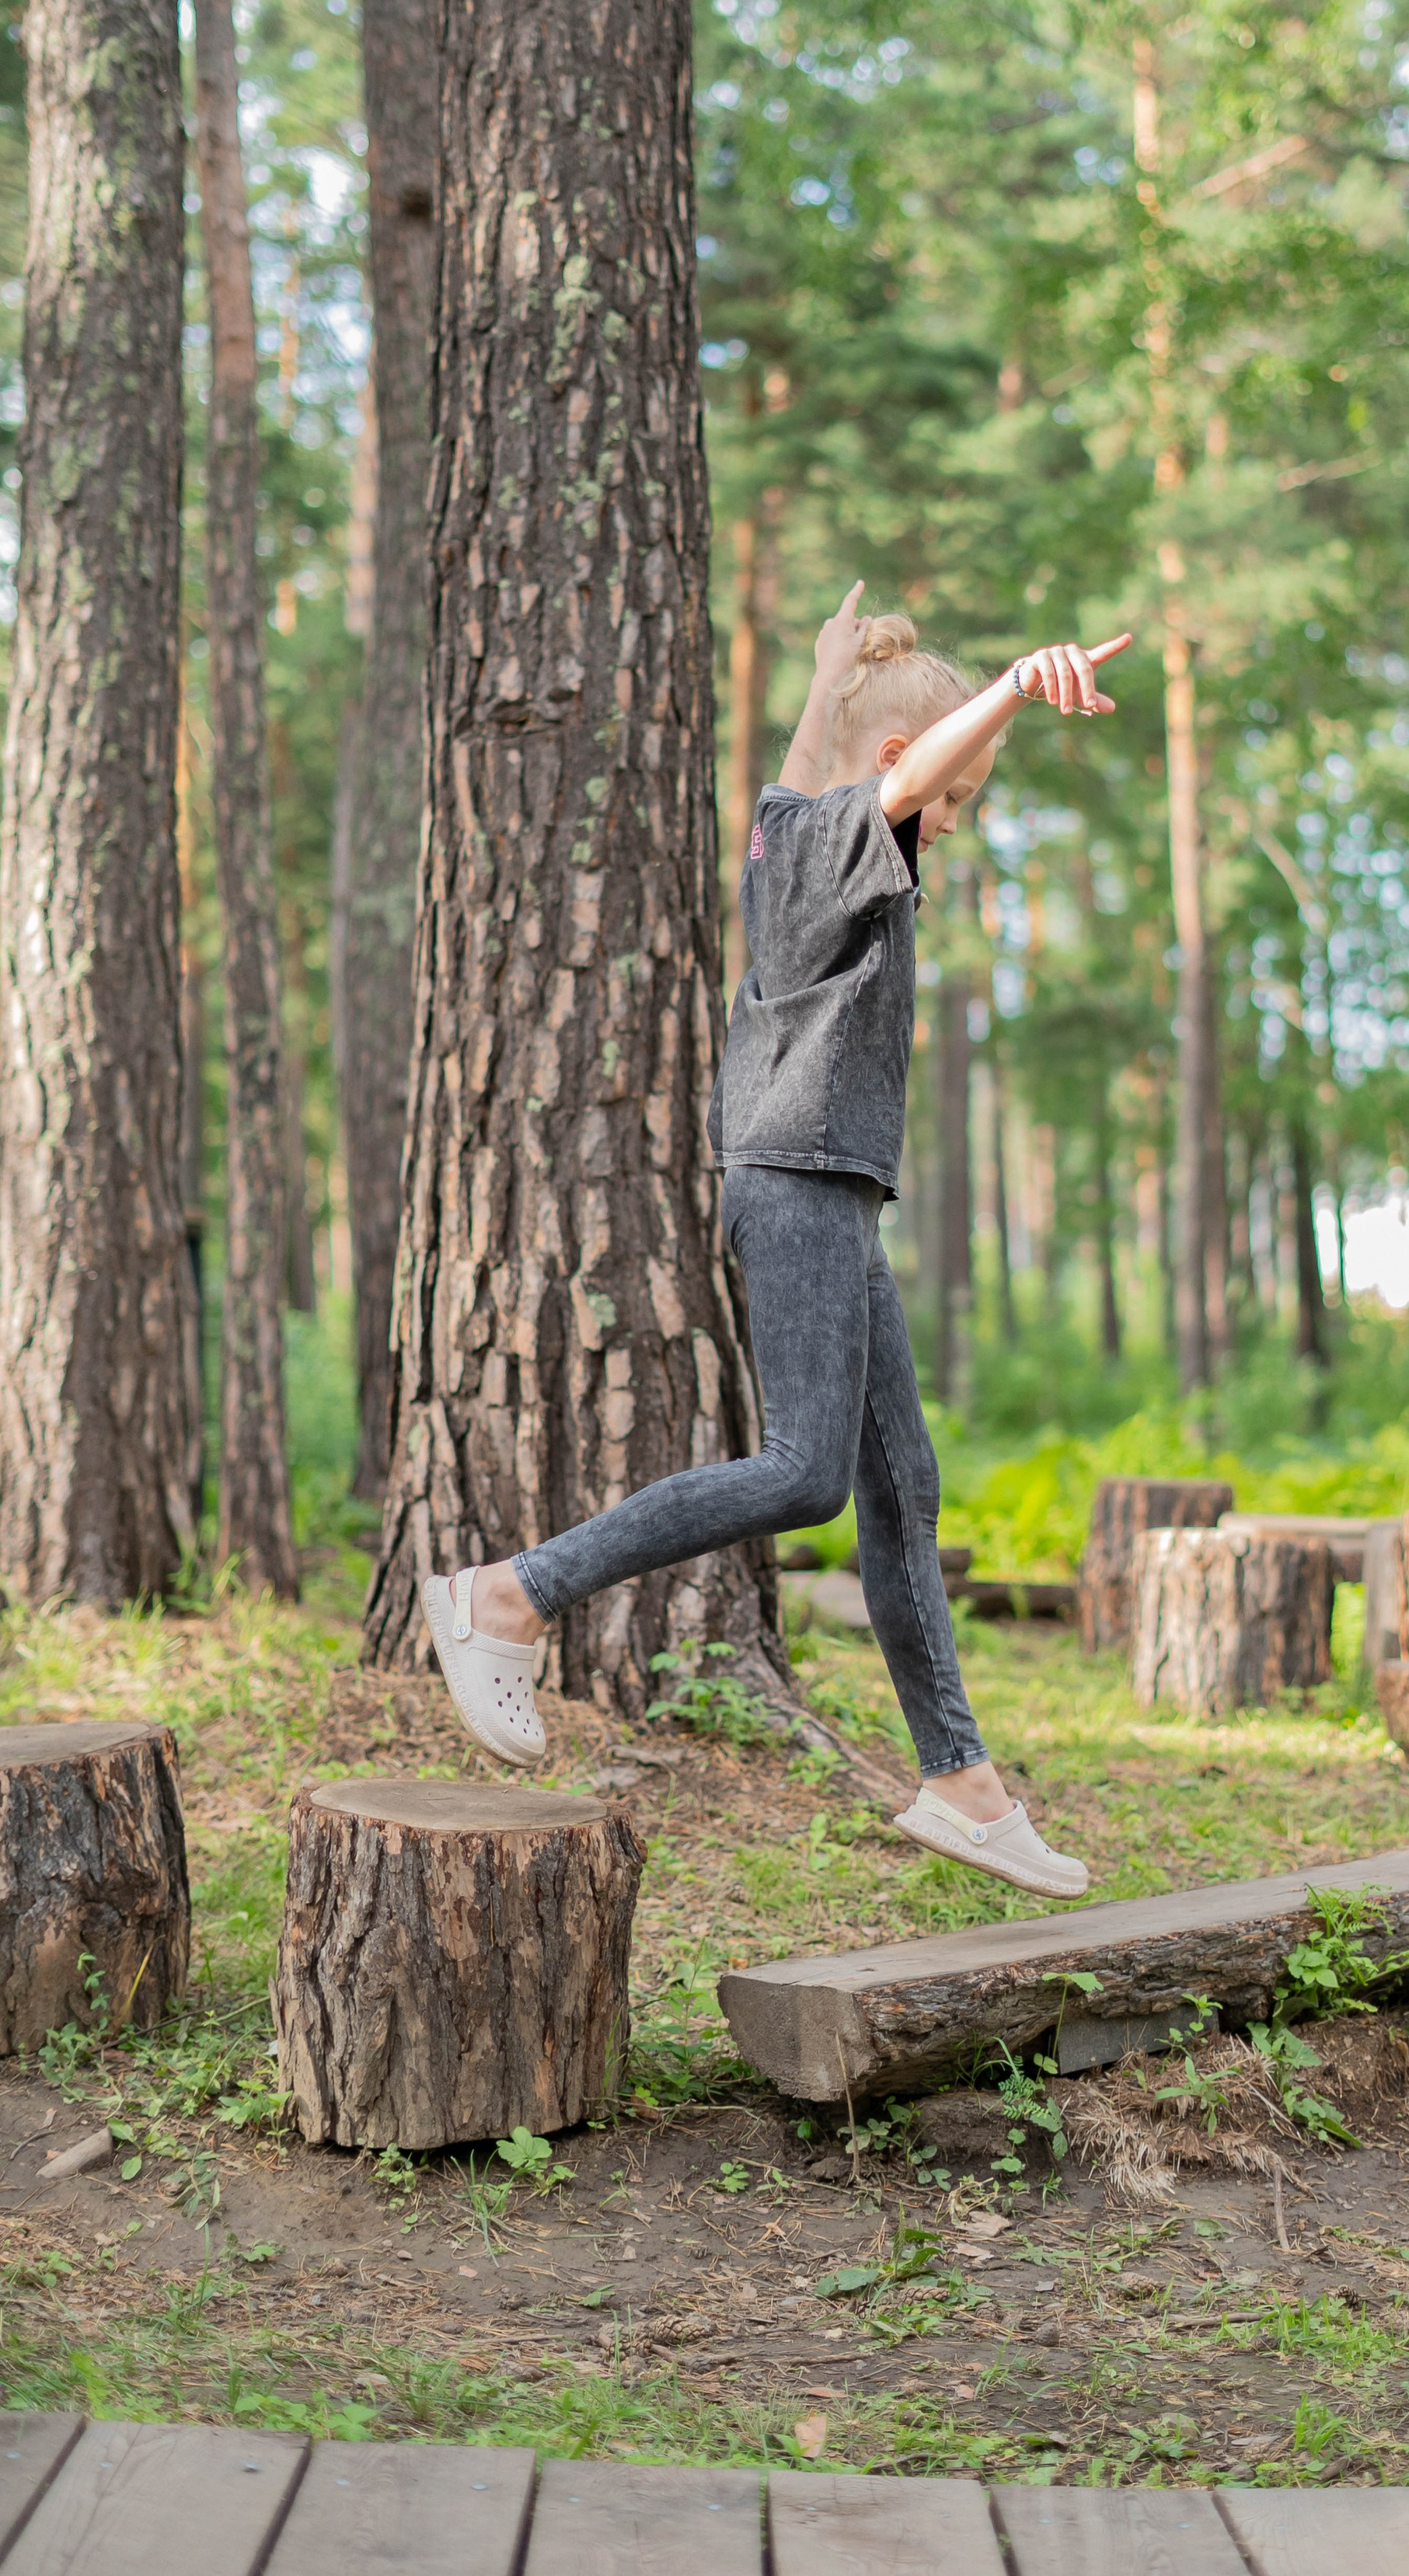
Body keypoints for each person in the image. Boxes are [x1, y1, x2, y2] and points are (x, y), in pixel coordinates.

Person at [420, 584, 1132, 1901]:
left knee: (899, 1488)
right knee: (809, 1473)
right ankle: (509, 1596)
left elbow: (830, 760)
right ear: (897, 775)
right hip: (801, 1177)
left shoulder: (792, 826)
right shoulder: (847, 841)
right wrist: (1018, 690)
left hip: (830, 1184)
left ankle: (963, 1787)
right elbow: (902, 767)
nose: (953, 822)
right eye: (956, 797)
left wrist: (825, 674)